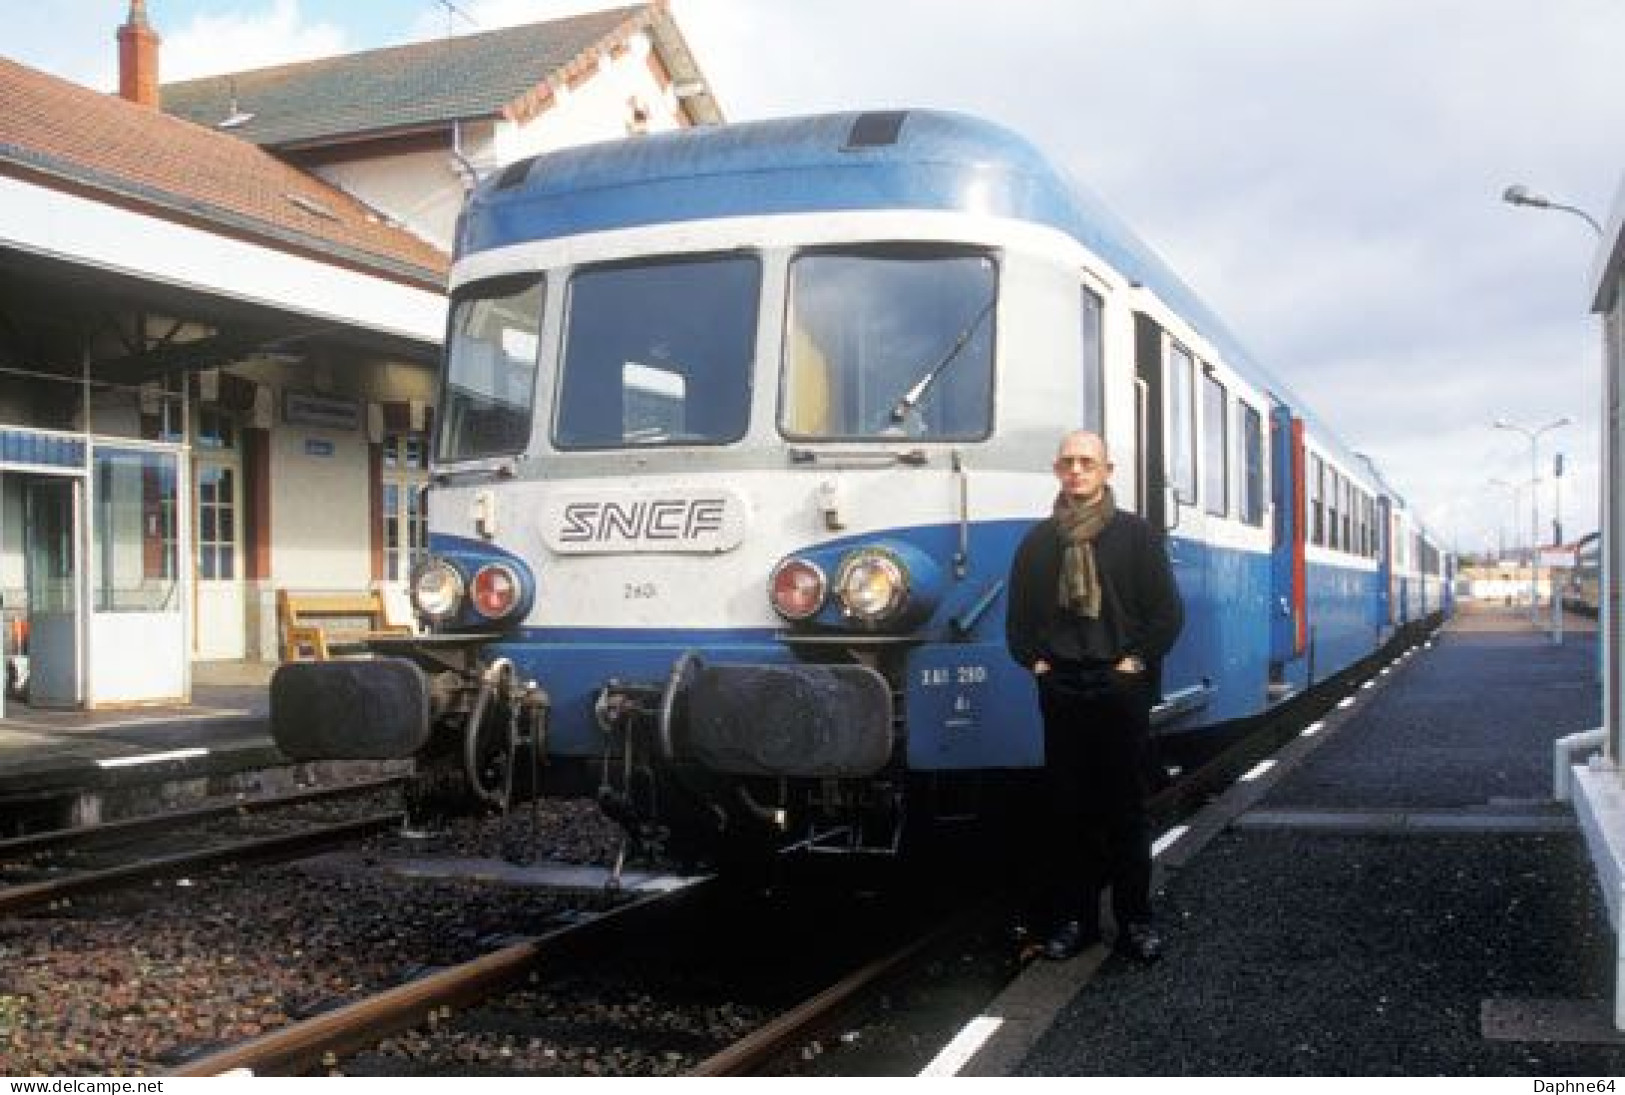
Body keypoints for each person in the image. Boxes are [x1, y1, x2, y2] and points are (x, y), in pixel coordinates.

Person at [1005, 429, 1184, 963]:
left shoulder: (1137, 536)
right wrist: (1037, 664)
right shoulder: (1039, 543)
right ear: (1057, 472)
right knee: (1069, 813)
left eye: (1087, 462)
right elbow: (1018, 622)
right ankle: (1075, 924)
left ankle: (1136, 924)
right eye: (1068, 462)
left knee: (1126, 811)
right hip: (1062, 688)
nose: (1077, 470)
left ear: (1108, 471)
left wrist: (1133, 663)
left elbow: (1166, 614)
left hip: (1120, 687)